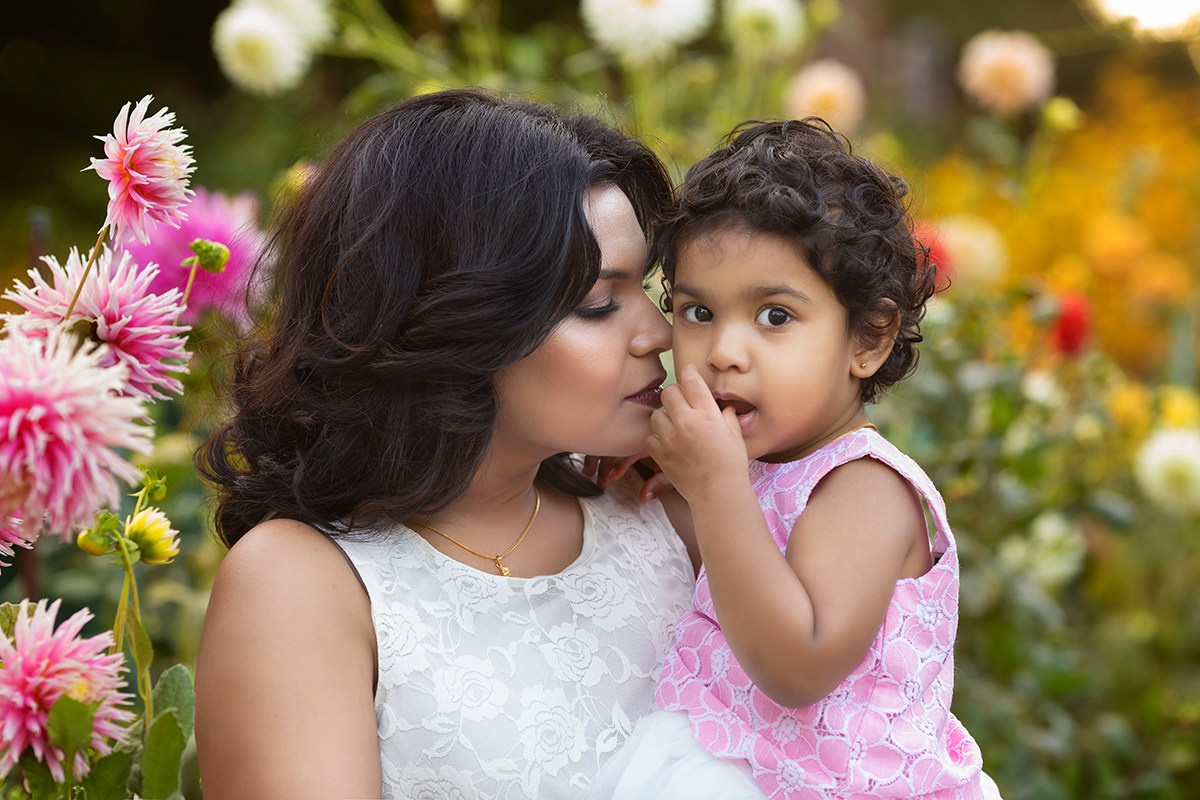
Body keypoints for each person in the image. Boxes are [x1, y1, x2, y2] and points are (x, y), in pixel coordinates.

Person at [192, 88, 700, 799]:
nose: (659, 333)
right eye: (597, 303)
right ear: (453, 321)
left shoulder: (670, 515)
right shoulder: (302, 583)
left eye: (645, 288)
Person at [592, 118, 1002, 799]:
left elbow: (798, 665)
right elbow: (721, 569)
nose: (724, 352)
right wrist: (667, 471)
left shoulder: (864, 487)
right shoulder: (754, 469)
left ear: (868, 340)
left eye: (775, 317)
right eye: (698, 313)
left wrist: (714, 487)